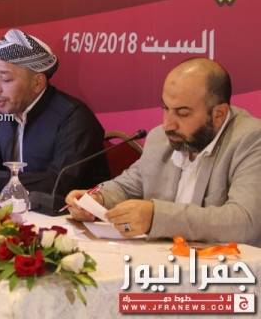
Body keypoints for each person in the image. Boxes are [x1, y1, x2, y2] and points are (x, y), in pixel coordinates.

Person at [66, 58, 261, 246]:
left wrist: (156, 217)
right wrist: (97, 199)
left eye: (182, 113)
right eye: (166, 108)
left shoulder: (252, 140)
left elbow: (245, 222)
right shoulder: (161, 138)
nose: (168, 124)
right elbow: (128, 185)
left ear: (218, 114)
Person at [0, 29, 109, 196]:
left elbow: (59, 182)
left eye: (5, 79)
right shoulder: (6, 114)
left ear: (37, 83)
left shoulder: (74, 118)